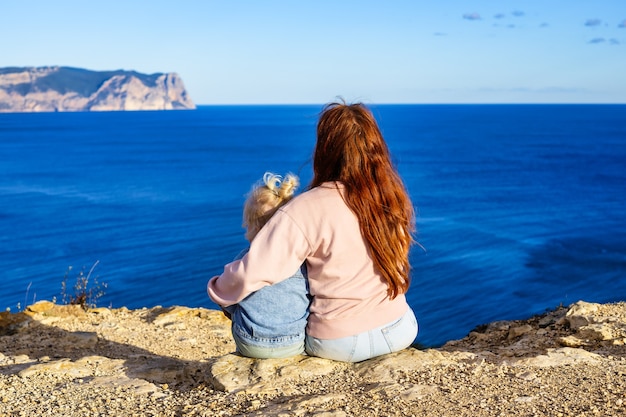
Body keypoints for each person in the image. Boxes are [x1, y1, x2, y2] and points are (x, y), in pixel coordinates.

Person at [208, 101, 418, 362]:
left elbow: (255, 272)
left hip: (340, 342)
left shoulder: (304, 209)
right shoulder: (391, 198)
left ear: (325, 149)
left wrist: (218, 290)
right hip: (399, 327)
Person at [219, 172, 310, 359]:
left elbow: (223, 295)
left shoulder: (247, 258)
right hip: (294, 342)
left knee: (233, 301)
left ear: (253, 227)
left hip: (252, 344)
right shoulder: (302, 259)